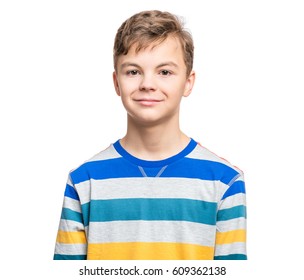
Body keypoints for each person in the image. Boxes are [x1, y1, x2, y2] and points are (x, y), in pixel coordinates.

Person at [53, 10, 247, 260]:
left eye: (164, 72)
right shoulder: (83, 181)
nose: (148, 84)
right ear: (116, 83)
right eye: (133, 71)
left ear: (188, 82)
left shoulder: (225, 181)